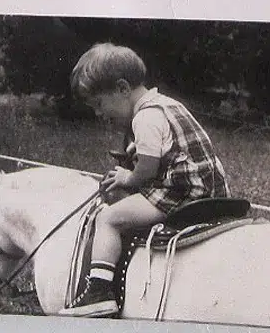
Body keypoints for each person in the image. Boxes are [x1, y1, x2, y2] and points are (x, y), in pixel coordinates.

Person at [59, 42, 231, 318]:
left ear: (123, 89)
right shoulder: (165, 105)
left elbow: (148, 171)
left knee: (109, 219)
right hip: (209, 189)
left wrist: (128, 176)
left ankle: (100, 292)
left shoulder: (144, 118)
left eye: (99, 104)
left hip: (183, 193)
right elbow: (165, 148)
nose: (98, 114)